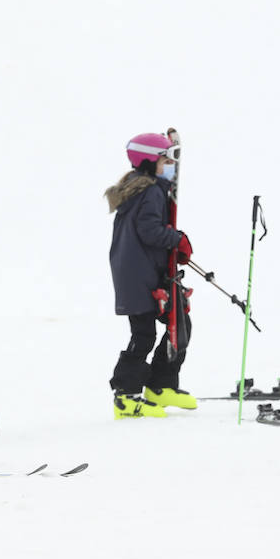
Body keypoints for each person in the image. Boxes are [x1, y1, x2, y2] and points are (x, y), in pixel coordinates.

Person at [105, 133, 198, 419]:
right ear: (147, 162)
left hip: (146, 272)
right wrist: (177, 239)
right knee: (143, 335)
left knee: (178, 323)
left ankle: (161, 385)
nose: (169, 164)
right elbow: (150, 231)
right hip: (138, 277)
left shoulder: (144, 188)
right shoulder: (149, 191)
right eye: (164, 159)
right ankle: (126, 397)